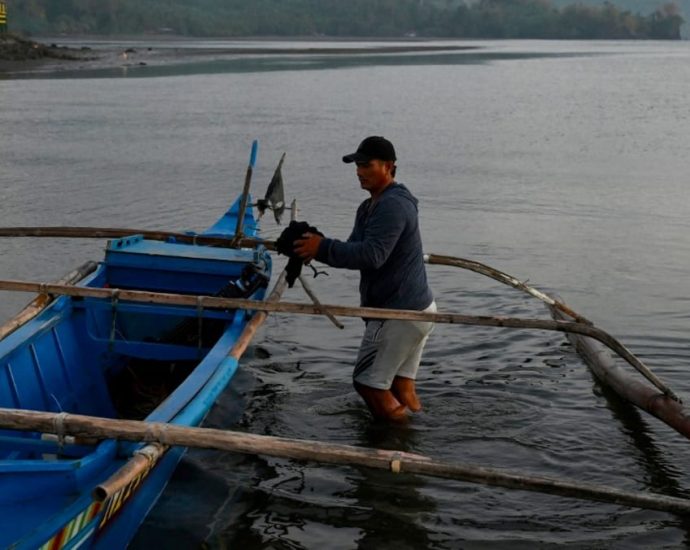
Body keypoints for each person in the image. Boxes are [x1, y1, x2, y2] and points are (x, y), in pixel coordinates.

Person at [294, 136, 435, 421]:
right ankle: (421, 427)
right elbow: (353, 249)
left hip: (399, 313)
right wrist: (316, 247)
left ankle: (400, 444)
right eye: (357, 164)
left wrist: (322, 247)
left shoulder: (393, 206)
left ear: (388, 166)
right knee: (400, 386)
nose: (359, 171)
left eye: (366, 164)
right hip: (418, 310)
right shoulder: (370, 206)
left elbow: (372, 256)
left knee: (368, 384)